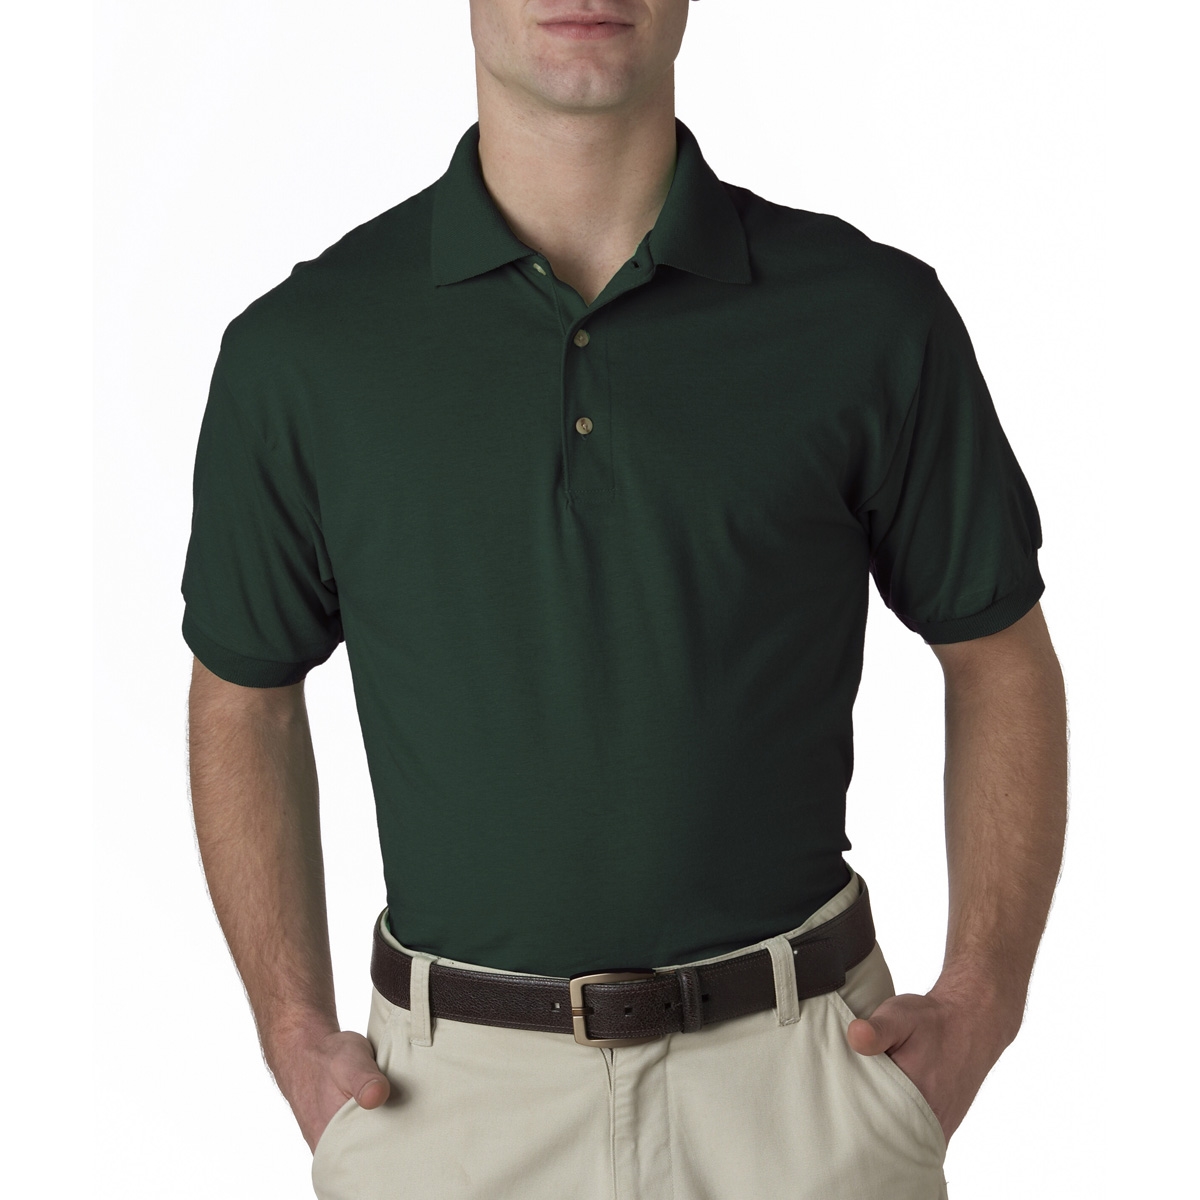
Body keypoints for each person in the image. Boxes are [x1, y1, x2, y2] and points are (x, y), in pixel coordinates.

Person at [182, 2, 1069, 1198]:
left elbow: (999, 656)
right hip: (448, 1119)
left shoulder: (868, 318)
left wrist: (983, 1000)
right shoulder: (306, 352)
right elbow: (242, 697)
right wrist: (292, 1030)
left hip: (802, 1100)